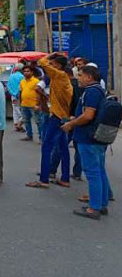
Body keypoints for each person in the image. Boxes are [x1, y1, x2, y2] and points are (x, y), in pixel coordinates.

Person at [62, 66, 109, 219]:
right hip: (96, 137)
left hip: (89, 138)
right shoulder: (99, 90)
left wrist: (72, 123)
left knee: (93, 172)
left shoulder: (92, 92)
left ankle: (94, 208)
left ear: (89, 77)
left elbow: (88, 115)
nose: (78, 78)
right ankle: (101, 204)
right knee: (99, 170)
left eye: (81, 75)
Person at [26, 54, 72, 189]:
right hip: (62, 115)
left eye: (53, 64)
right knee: (63, 148)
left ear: (57, 65)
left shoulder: (59, 75)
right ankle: (65, 178)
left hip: (57, 116)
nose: (50, 66)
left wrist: (51, 55)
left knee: (47, 146)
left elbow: (42, 62)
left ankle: (44, 179)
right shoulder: (62, 78)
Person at [19, 66, 41, 141]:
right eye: (24, 71)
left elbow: (39, 94)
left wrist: (38, 104)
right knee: (26, 121)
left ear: (32, 72)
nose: (26, 73)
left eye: (28, 71)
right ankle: (29, 135)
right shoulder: (22, 81)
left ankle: (41, 137)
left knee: (38, 121)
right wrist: (20, 102)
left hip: (33, 105)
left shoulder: (36, 81)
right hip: (24, 104)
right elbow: (21, 92)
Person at [8, 64, 25, 133]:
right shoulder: (22, 77)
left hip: (13, 95)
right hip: (19, 95)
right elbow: (21, 87)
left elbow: (8, 85)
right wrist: (17, 94)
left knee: (15, 110)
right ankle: (19, 124)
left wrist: (13, 93)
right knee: (22, 112)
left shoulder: (11, 76)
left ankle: (16, 124)